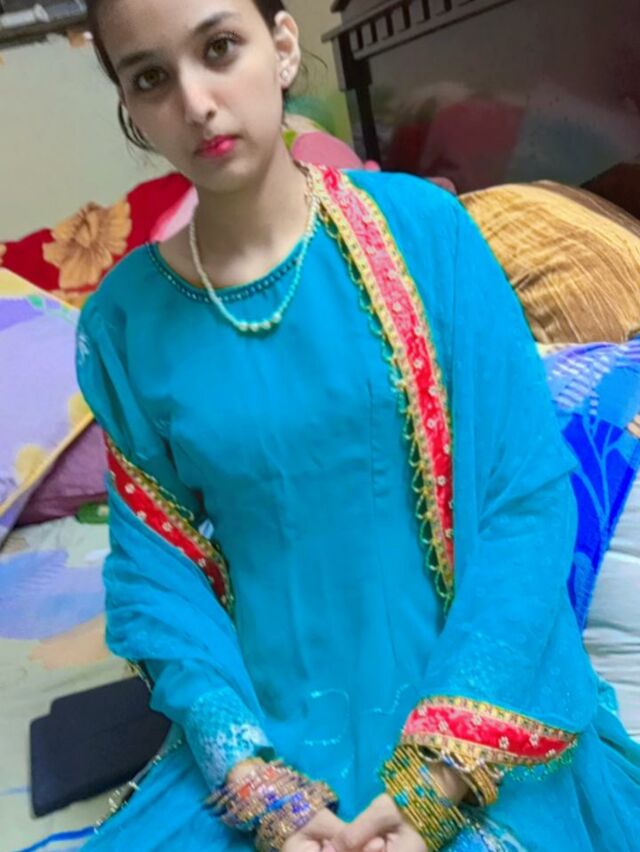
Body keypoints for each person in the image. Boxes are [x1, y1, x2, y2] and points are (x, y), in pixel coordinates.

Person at [76, 0, 640, 849]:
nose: (195, 103)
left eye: (219, 47)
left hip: (474, 708)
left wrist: (439, 776)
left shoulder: (426, 232)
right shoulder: (125, 322)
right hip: (269, 739)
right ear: (129, 103)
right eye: (151, 77)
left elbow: (523, 498)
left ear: (283, 46)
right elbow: (157, 578)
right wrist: (249, 776)